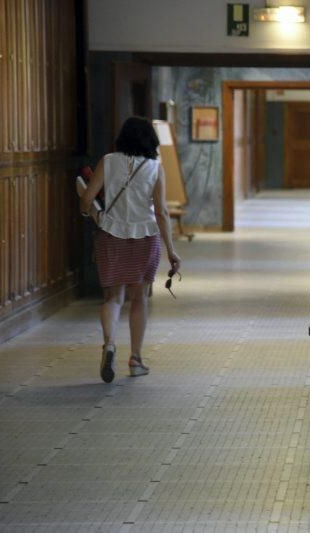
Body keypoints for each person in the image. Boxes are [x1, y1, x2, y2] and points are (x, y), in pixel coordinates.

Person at [80, 116, 181, 383]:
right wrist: (171, 250)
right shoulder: (155, 167)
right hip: (145, 236)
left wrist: (90, 211)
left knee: (113, 298)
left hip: (111, 235)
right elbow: (160, 211)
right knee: (139, 298)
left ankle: (110, 344)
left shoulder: (108, 161)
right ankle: (136, 359)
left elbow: (87, 199)